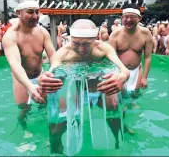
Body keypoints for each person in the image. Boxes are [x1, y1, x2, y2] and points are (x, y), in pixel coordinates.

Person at [38, 19, 130, 153]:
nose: (81, 49)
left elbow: (124, 70)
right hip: (74, 88)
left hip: (98, 87)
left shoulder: (103, 48)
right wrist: (43, 79)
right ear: (70, 39)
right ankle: (56, 148)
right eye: (76, 43)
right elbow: (50, 73)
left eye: (86, 44)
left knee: (115, 107)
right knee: (60, 118)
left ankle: (118, 139)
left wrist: (123, 77)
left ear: (96, 38)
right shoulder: (64, 53)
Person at [2, 1, 56, 133]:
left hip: (40, 75)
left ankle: (46, 129)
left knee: (45, 105)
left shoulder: (43, 32)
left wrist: (52, 73)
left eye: (37, 12)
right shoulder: (10, 36)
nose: (35, 16)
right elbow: (15, 64)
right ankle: (25, 131)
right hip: (21, 78)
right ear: (18, 13)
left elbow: (54, 56)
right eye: (30, 12)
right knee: (24, 109)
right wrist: (29, 86)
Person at [108, 6, 153, 134]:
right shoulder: (116, 34)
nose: (128, 20)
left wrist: (144, 77)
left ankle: (126, 118)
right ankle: (122, 125)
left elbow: (148, 57)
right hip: (120, 72)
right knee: (121, 100)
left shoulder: (145, 33)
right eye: (125, 17)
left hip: (136, 71)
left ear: (139, 18)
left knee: (133, 96)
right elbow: (110, 57)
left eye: (132, 17)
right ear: (122, 18)